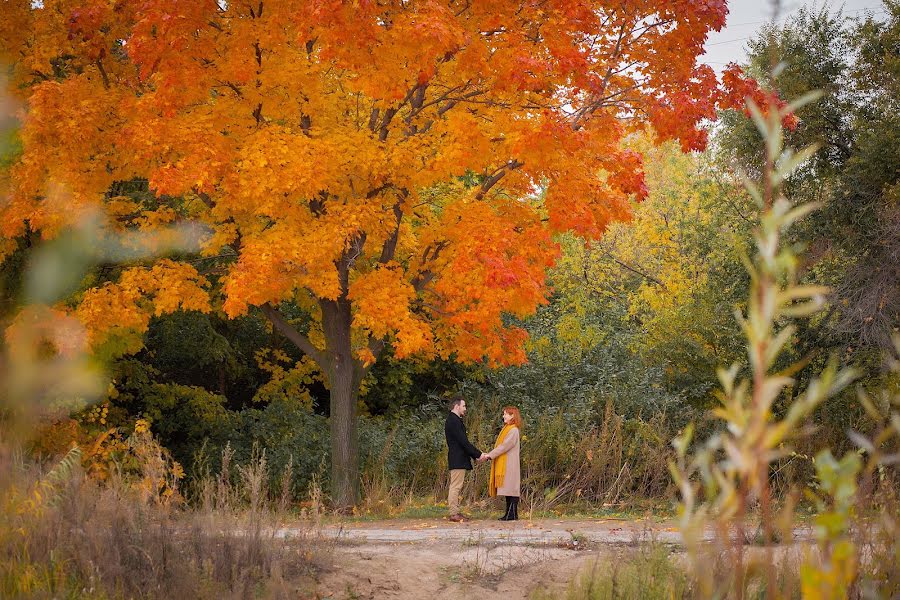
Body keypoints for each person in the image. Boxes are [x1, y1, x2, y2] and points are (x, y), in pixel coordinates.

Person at [444, 396, 487, 522]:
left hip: (458, 458)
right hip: (457, 459)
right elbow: (464, 442)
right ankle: (453, 513)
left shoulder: (454, 420)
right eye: (463, 406)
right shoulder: (453, 421)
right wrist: (478, 455)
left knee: (456, 486)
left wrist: (476, 455)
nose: (465, 409)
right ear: (456, 406)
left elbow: (463, 443)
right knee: (455, 486)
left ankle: (455, 512)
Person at [480, 406, 522, 521]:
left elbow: (504, 446)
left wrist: (489, 455)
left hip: (510, 465)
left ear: (512, 415)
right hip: (507, 464)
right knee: (509, 489)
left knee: (512, 490)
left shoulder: (513, 430)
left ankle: (512, 514)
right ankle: (509, 514)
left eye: (506, 414)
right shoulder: (508, 429)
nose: (503, 416)